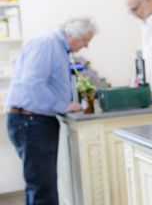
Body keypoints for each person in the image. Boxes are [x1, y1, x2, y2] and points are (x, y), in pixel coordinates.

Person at [5, 17, 95, 205]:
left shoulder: (58, 47)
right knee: (42, 189)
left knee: (41, 186)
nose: (85, 46)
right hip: (30, 122)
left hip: (34, 121)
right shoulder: (48, 43)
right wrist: (63, 106)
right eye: (85, 40)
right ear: (73, 35)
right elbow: (33, 84)